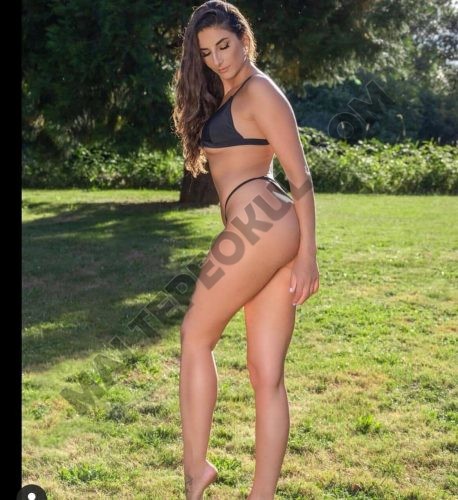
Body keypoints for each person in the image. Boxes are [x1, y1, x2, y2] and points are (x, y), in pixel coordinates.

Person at [172, 1, 319, 498]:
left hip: (260, 224)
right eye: (207, 52)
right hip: (269, 226)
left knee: (195, 335)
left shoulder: (260, 92)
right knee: (265, 372)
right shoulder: (232, 90)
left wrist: (309, 255)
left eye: (225, 46)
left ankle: (196, 470)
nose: (218, 59)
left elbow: (300, 175)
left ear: (244, 39)